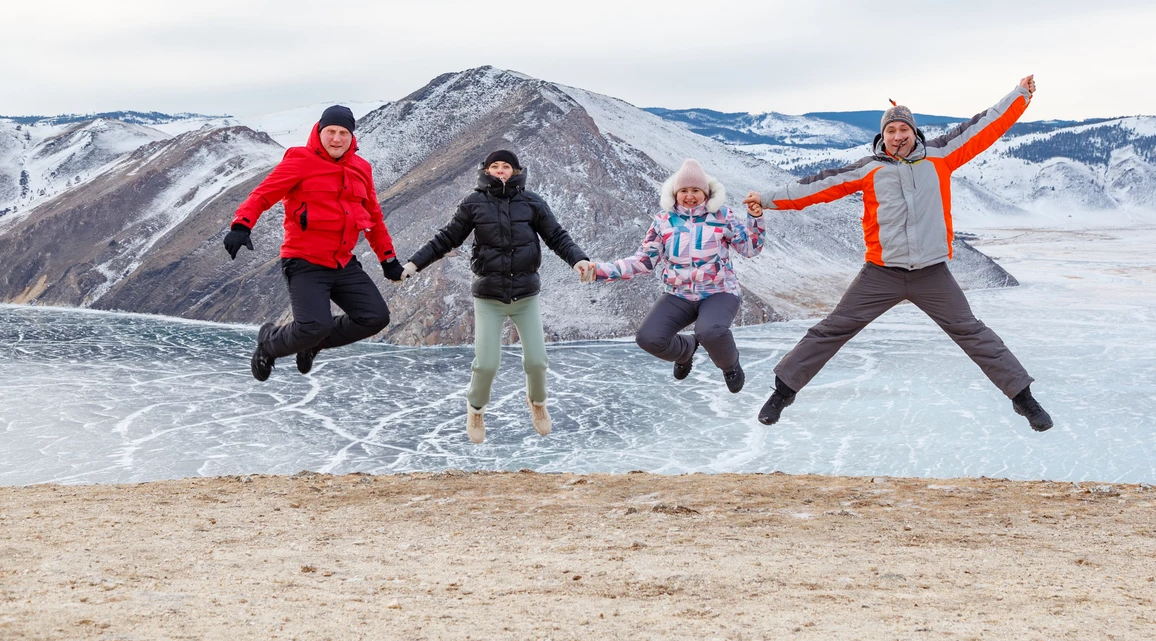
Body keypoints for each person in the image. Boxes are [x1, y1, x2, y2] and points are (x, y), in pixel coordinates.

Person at [744, 76, 1054, 432]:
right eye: (890, 130)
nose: (897, 136)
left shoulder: (940, 156)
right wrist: (766, 200)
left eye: (903, 129)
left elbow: (984, 127)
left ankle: (1023, 398)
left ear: (914, 132)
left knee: (972, 332)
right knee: (833, 328)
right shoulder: (868, 169)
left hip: (931, 274)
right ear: (883, 136)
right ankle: (782, 393)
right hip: (881, 274)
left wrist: (1020, 95)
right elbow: (816, 187)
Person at [401, 149, 592, 444]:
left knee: (537, 362)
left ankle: (537, 404)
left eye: (506, 166)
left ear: (515, 172)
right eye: (495, 166)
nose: (500, 170)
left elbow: (556, 236)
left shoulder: (532, 202)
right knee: (486, 364)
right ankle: (476, 410)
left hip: (525, 296)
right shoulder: (473, 203)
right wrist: (413, 265)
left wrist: (578, 259)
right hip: (488, 297)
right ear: (487, 171)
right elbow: (446, 238)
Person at [223, 104, 402, 381]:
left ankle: (312, 344)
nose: (336, 139)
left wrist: (387, 258)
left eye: (343, 133)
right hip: (304, 261)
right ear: (319, 131)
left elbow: (374, 218)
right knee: (313, 326)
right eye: (331, 131)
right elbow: (263, 194)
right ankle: (268, 344)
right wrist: (241, 225)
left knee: (375, 317)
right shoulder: (300, 160)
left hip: (342, 262)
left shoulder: (361, 168)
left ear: (351, 137)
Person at [586, 159, 766, 392]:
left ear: (706, 193)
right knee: (648, 338)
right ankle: (686, 350)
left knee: (709, 331)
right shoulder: (663, 221)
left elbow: (750, 248)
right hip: (678, 294)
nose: (689, 196)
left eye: (696, 190)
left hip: (719, 292)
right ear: (674, 193)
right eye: (684, 190)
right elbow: (643, 261)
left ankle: (730, 366)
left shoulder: (722, 216)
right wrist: (599, 270)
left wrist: (755, 218)